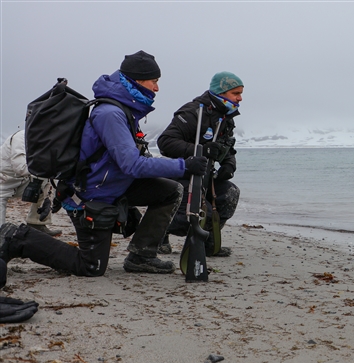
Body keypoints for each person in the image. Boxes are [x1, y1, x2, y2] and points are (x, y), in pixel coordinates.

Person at [0, 50, 208, 276]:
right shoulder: (110, 114)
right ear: (137, 81)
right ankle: (17, 237)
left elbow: (135, 159)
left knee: (170, 190)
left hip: (113, 187)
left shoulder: (126, 110)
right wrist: (183, 166)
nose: (157, 88)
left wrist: (181, 167)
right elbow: (132, 165)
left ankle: (141, 256)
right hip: (90, 196)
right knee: (90, 266)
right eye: (154, 81)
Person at [156, 71, 242, 257]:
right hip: (181, 173)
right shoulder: (193, 112)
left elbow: (228, 147)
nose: (240, 98)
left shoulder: (226, 117)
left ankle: (208, 240)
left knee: (230, 194)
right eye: (235, 93)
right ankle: (158, 232)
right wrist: (199, 150)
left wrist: (229, 165)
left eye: (240, 93)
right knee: (201, 212)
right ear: (222, 92)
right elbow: (165, 142)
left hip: (206, 174)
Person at [0, 130, 61, 236]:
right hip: (3, 181)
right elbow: (20, 168)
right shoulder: (20, 138)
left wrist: (49, 197)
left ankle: (36, 222)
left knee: (47, 181)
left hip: (21, 180)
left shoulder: (46, 139)